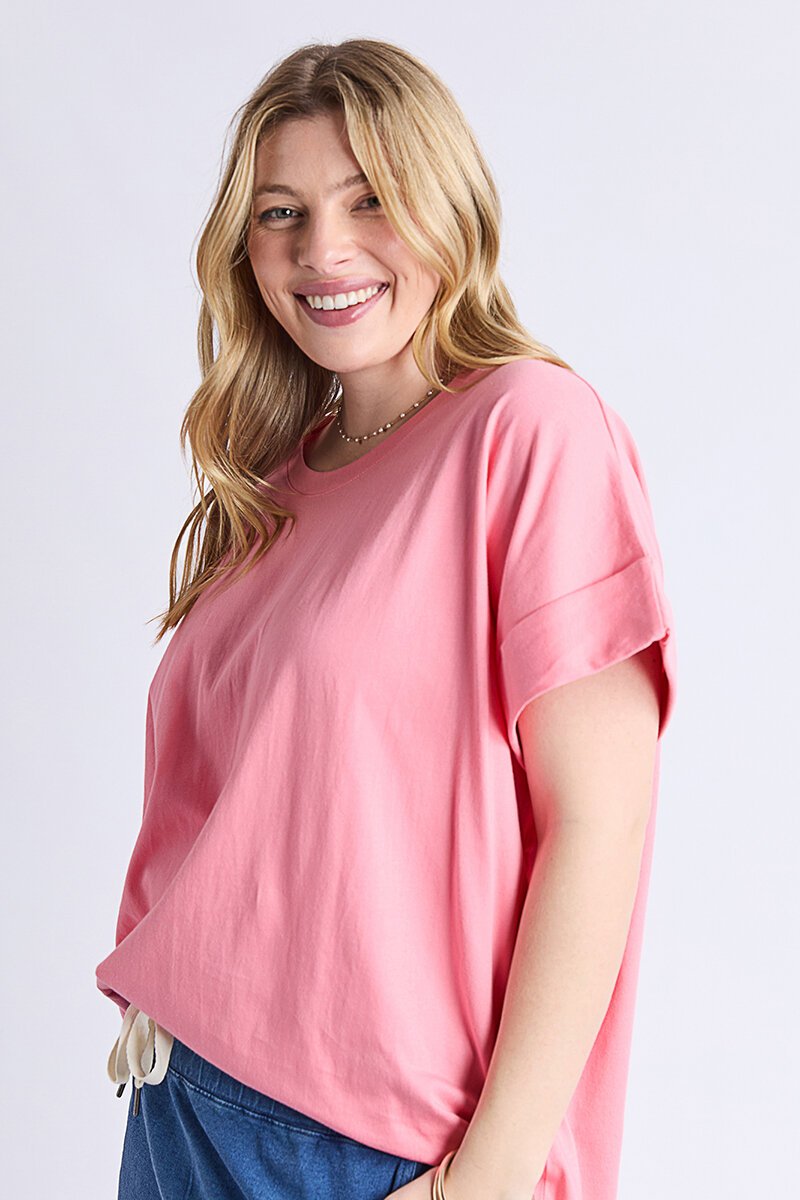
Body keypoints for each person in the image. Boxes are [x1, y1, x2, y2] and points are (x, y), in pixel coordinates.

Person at [96, 37, 678, 1200]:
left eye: (368, 198)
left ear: (446, 202)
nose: (323, 249)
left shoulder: (529, 429)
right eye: (281, 213)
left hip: (370, 1147)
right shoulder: (275, 483)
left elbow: (597, 824)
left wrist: (486, 1178)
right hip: (180, 1103)